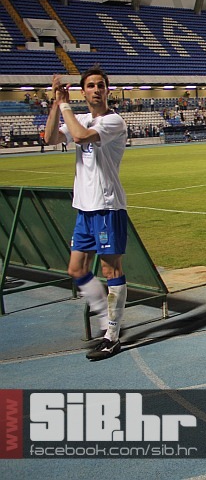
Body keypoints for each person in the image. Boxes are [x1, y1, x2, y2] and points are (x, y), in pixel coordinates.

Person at [44, 66, 129, 361]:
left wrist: (66, 104)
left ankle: (113, 335)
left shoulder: (113, 120)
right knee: (77, 270)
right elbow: (51, 138)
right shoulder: (78, 117)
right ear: (84, 91)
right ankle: (108, 323)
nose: (96, 89)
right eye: (91, 85)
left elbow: (80, 137)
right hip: (84, 207)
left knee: (111, 270)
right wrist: (57, 102)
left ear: (107, 90)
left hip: (106, 206)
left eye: (100, 85)